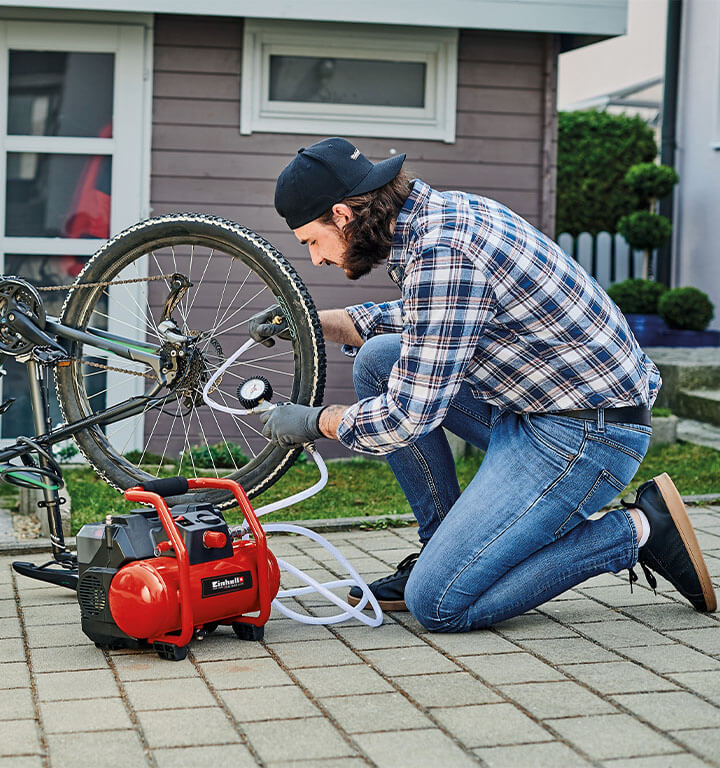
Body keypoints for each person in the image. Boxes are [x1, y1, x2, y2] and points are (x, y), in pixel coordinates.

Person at [249, 137, 716, 632]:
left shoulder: (442, 250)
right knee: (377, 361)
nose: (316, 259)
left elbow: (407, 416)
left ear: (342, 215)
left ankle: (638, 530)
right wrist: (311, 321)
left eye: (311, 242)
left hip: (587, 437)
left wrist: (314, 422)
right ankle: (444, 546)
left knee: (438, 602)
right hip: (541, 409)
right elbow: (426, 321)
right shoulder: (437, 218)